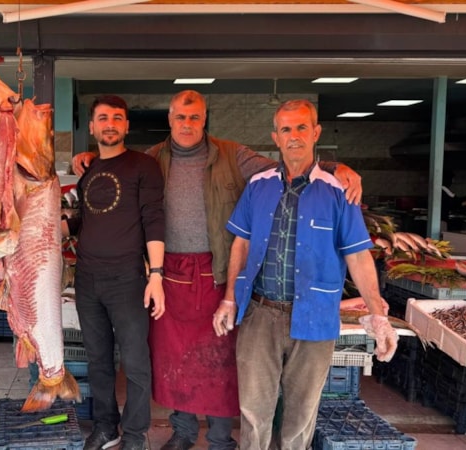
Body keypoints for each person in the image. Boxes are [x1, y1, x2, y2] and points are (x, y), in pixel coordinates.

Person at [72, 90, 362, 450]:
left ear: (205, 120)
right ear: (170, 120)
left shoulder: (233, 154)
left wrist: (335, 169)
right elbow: (117, 163)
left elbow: (287, 164)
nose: (187, 124)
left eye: (195, 118)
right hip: (171, 273)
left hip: (219, 271)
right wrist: (88, 158)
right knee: (174, 356)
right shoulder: (153, 158)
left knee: (221, 361)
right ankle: (184, 431)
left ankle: (221, 437)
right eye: (181, 117)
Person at [213, 99, 398, 450]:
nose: (294, 136)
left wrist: (377, 313)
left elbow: (358, 255)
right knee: (253, 411)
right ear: (275, 137)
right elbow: (241, 242)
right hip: (259, 315)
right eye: (286, 129)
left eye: (301, 128)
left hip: (316, 316)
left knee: (301, 415)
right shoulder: (258, 185)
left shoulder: (338, 191)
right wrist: (229, 299)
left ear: (316, 132)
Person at [62, 94, 166, 450]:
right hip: (87, 279)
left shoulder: (143, 165)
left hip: (128, 279)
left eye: (117, 118)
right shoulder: (87, 169)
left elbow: (154, 218)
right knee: (98, 360)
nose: (110, 124)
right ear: (92, 127)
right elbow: (86, 219)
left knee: (136, 361)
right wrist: (57, 226)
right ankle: (106, 427)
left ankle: (135, 435)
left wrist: (157, 275)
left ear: (126, 126)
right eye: (103, 118)